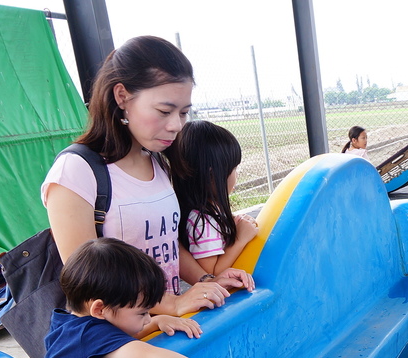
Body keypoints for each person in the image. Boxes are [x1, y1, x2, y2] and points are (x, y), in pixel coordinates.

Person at [41, 35, 254, 320]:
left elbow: (167, 244)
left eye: (184, 113)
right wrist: (171, 305)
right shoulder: (76, 172)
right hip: (119, 340)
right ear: (122, 96)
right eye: (164, 111)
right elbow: (86, 279)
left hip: (166, 326)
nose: (176, 125)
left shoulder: (157, 162)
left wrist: (206, 281)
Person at [43, 237, 253, 358]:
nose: (146, 319)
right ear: (99, 309)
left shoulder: (69, 322)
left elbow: (112, 340)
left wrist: (156, 322)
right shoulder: (89, 334)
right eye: (143, 313)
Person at [166, 120, 259, 277]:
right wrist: (240, 240)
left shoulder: (209, 213)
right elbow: (211, 274)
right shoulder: (203, 222)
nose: (236, 175)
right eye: (234, 169)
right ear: (212, 175)